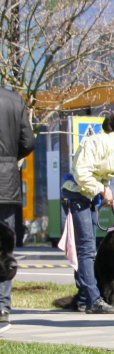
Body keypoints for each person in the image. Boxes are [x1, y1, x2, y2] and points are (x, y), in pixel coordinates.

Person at [61, 112, 114, 314]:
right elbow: (82, 174)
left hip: (87, 198)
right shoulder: (95, 143)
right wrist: (101, 190)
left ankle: (82, 297)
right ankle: (92, 300)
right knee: (87, 249)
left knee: (86, 249)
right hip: (76, 197)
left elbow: (103, 184)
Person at [0, 86, 36, 333]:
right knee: (4, 249)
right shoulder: (14, 100)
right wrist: (11, 157)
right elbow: (29, 141)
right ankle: (3, 308)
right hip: (7, 183)